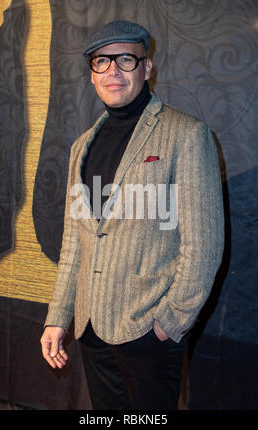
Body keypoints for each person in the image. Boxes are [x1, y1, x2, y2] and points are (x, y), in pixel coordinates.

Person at [40, 20, 224, 410]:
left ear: (147, 67)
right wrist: (59, 317)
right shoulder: (81, 147)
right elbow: (75, 242)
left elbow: (203, 245)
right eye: (101, 62)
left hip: (149, 329)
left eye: (125, 59)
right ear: (92, 74)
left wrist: (169, 323)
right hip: (92, 327)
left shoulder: (187, 135)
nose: (113, 71)